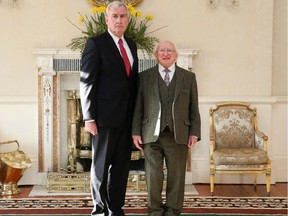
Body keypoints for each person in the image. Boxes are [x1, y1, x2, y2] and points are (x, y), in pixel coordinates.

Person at [79, 1, 138, 216]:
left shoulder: (131, 45)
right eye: (115, 16)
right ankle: (99, 210)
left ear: (128, 20)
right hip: (103, 118)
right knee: (101, 167)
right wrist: (89, 117)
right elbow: (86, 81)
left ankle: (115, 208)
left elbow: (131, 82)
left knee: (122, 167)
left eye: (123, 16)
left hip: (127, 117)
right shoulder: (95, 44)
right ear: (107, 19)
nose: (119, 20)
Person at [132, 40, 201, 216]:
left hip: (179, 134)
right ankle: (154, 210)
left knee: (177, 177)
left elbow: (194, 107)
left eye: (170, 50)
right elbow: (138, 107)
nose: (165, 53)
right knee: (153, 176)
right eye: (162, 50)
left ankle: (173, 211)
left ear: (175, 55)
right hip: (150, 135)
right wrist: (135, 132)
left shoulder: (188, 77)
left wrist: (194, 132)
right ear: (156, 55)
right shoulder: (144, 76)